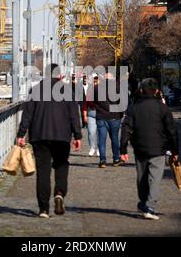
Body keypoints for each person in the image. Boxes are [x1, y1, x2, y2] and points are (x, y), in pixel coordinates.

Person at [17, 63, 82, 218]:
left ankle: (43, 209)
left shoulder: (36, 90)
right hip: (62, 136)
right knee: (61, 165)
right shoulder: (67, 91)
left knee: (43, 172)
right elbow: (74, 115)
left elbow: (27, 115)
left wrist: (21, 134)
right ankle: (59, 193)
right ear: (60, 75)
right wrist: (77, 135)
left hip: (39, 136)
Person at [120, 78, 179, 220]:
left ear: (141, 90)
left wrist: (123, 148)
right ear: (157, 91)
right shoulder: (162, 108)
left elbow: (126, 128)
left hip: (139, 148)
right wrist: (175, 150)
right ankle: (150, 206)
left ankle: (143, 201)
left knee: (142, 177)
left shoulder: (134, 108)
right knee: (155, 178)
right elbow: (172, 130)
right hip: (158, 148)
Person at [93, 72, 123, 168]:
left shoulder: (97, 88)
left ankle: (102, 160)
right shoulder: (118, 87)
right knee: (114, 138)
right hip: (115, 116)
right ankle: (116, 159)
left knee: (101, 139)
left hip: (101, 116)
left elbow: (93, 101)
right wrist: (121, 114)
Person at [82, 73, 99, 156]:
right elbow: (85, 104)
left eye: (96, 79)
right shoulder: (89, 90)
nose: (95, 81)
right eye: (94, 79)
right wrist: (84, 115)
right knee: (91, 132)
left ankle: (100, 148)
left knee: (100, 133)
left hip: (101, 114)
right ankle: (92, 147)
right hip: (91, 113)